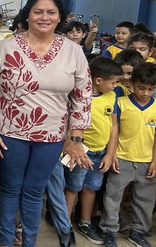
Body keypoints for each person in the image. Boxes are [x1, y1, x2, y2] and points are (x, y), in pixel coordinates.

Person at [0, 0, 92, 247]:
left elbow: (83, 97)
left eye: (51, 12)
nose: (44, 17)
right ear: (27, 15)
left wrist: (75, 138)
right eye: (38, 11)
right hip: (10, 134)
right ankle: (6, 242)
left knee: (33, 193)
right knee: (10, 189)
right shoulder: (5, 47)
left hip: (52, 136)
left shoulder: (73, 51)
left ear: (59, 17)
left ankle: (29, 243)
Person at [63, 57, 122, 244]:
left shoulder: (111, 97)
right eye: (113, 82)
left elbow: (114, 126)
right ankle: (64, 224)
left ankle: (85, 222)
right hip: (81, 152)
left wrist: (110, 153)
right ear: (98, 81)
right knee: (73, 187)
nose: (115, 86)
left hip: (101, 153)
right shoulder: (80, 97)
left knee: (91, 188)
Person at [99, 62, 156, 247]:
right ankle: (109, 230)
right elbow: (114, 131)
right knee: (112, 197)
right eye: (141, 88)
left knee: (145, 200)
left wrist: (155, 160)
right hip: (121, 159)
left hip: (147, 161)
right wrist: (112, 154)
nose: (145, 93)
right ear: (131, 83)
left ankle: (138, 231)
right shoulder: (120, 103)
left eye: (151, 89)